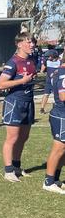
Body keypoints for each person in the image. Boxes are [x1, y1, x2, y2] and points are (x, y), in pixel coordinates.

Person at [0, 32, 37, 182]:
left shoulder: (32, 60)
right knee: (12, 138)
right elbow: (1, 84)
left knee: (24, 137)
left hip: (28, 102)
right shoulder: (13, 62)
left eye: (32, 42)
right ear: (19, 44)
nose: (32, 45)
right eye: (29, 42)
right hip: (15, 103)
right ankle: (8, 171)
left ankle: (16, 167)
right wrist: (22, 81)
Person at [43, 61, 65, 194]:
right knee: (58, 148)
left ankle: (55, 178)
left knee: (63, 150)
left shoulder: (58, 71)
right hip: (61, 115)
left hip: (60, 114)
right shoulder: (62, 73)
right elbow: (63, 96)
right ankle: (48, 182)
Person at [39, 49, 61, 114]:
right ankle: (42, 108)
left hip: (57, 81)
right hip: (49, 80)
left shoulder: (60, 61)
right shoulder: (47, 61)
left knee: (57, 94)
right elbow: (43, 66)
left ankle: (58, 106)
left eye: (49, 56)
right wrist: (41, 71)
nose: (48, 58)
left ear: (53, 56)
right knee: (46, 94)